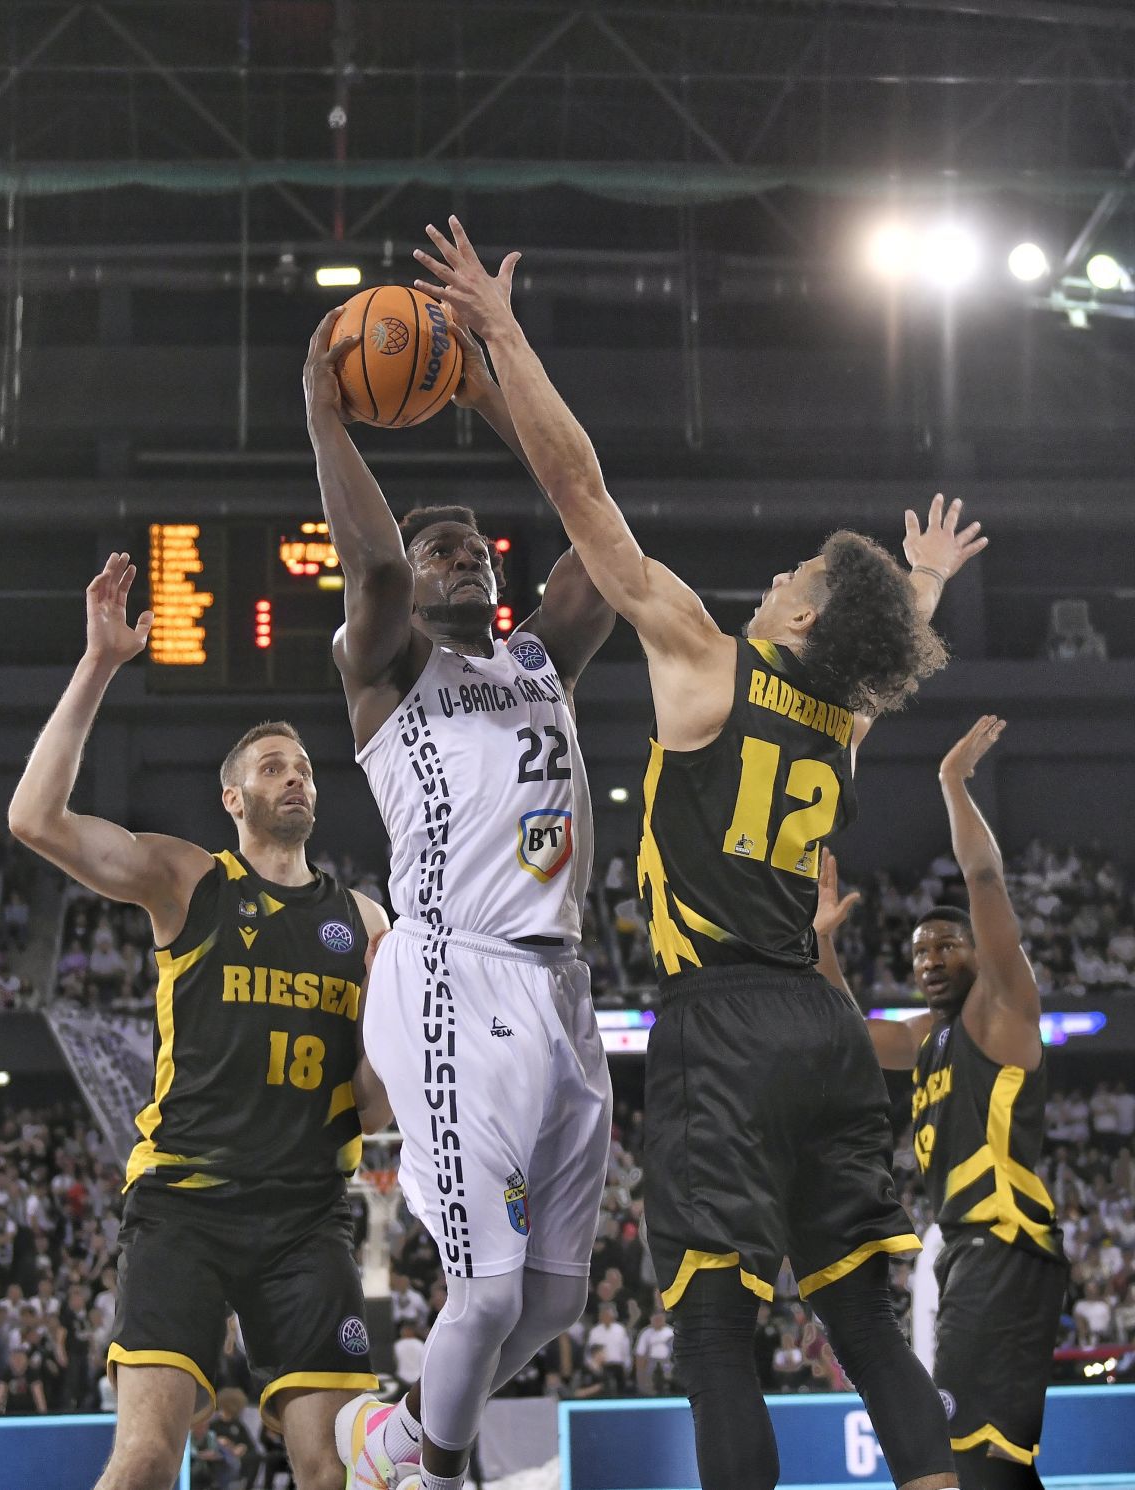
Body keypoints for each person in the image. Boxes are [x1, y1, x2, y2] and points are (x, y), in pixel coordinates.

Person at [411, 214, 987, 1490]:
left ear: (804, 617)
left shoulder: (701, 656)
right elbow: (887, 649)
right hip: (824, 1028)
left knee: (718, 1332)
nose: (777, 575)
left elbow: (582, 494)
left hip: (722, 1022)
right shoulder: (843, 707)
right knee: (870, 1329)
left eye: (793, 575)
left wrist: (504, 336)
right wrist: (924, 586)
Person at [303, 305, 615, 1490]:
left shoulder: (541, 658)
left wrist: (502, 394)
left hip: (560, 978)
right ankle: (431, 1474)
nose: (464, 556)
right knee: (484, 1286)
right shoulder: (386, 671)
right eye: (446, 549)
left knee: (555, 1293)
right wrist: (324, 407)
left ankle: (396, 1429)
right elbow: (375, 565)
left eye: (478, 546)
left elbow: (599, 531)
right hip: (450, 968)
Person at [7, 554, 391, 1490]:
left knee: (333, 1472)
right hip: (185, 1202)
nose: (294, 776)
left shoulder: (368, 923)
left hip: (308, 1216)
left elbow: (376, 1109)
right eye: (271, 766)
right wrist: (100, 663)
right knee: (142, 1463)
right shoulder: (191, 881)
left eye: (302, 765)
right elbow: (33, 817)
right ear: (235, 799)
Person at [817, 717, 1069, 1490]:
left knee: (967, 1458)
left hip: (1002, 1242)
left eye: (944, 946)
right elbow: (846, 1035)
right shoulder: (926, 1038)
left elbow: (985, 884)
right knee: (992, 1459)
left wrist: (954, 786)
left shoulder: (1000, 1009)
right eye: (920, 950)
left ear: (976, 955)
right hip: (964, 1254)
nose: (928, 957)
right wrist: (823, 941)